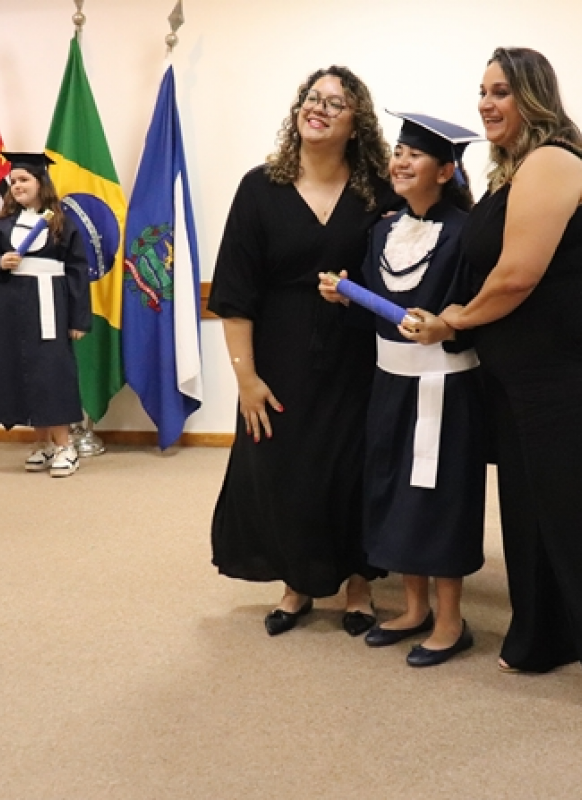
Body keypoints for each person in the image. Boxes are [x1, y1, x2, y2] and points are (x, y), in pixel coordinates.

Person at [420, 47, 582, 711]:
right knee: (531, 508)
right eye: (482, 91)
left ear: (533, 96)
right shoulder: (510, 172)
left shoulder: (551, 161)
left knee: (581, 507)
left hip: (574, 361)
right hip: (523, 364)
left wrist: (454, 321)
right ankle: (545, 637)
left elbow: (516, 276)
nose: (486, 103)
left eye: (501, 91)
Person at [207, 66, 398, 636]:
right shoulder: (259, 188)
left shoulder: (378, 193)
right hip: (280, 357)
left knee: (353, 468)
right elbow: (234, 293)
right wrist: (245, 378)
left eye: (335, 103)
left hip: (358, 357)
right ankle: (296, 583)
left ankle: (359, 584)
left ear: (356, 124)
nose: (318, 108)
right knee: (284, 467)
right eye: (312, 98)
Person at [319, 113, 486, 667]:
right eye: (398, 152)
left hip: (444, 387)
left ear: (445, 171)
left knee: (441, 499)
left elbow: (481, 311)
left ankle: (451, 621)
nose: (400, 161)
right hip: (388, 383)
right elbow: (377, 307)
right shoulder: (382, 231)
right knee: (394, 492)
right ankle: (414, 608)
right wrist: (346, 295)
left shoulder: (467, 233)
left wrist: (449, 325)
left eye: (415, 155)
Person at [0, 152, 90, 477]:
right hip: (11, 308)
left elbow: (78, 273)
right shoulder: (0, 225)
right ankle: (42, 443)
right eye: (13, 181)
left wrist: (78, 318)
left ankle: (65, 445)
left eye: (24, 180)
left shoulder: (61, 224)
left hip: (49, 304)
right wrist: (0, 263)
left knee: (51, 372)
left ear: (41, 183)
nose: (17, 186)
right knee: (21, 371)